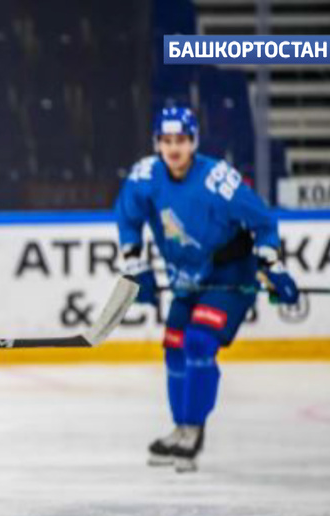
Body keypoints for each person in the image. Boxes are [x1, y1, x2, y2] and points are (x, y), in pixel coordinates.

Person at [114, 106, 300, 473]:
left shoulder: (218, 179)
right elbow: (127, 218)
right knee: (173, 349)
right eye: (166, 141)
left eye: (180, 140)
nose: (173, 148)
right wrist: (136, 266)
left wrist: (272, 265)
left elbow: (263, 221)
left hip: (230, 276)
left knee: (199, 341)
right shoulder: (145, 176)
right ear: (157, 144)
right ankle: (181, 426)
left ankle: (194, 430)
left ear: (193, 142)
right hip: (187, 280)